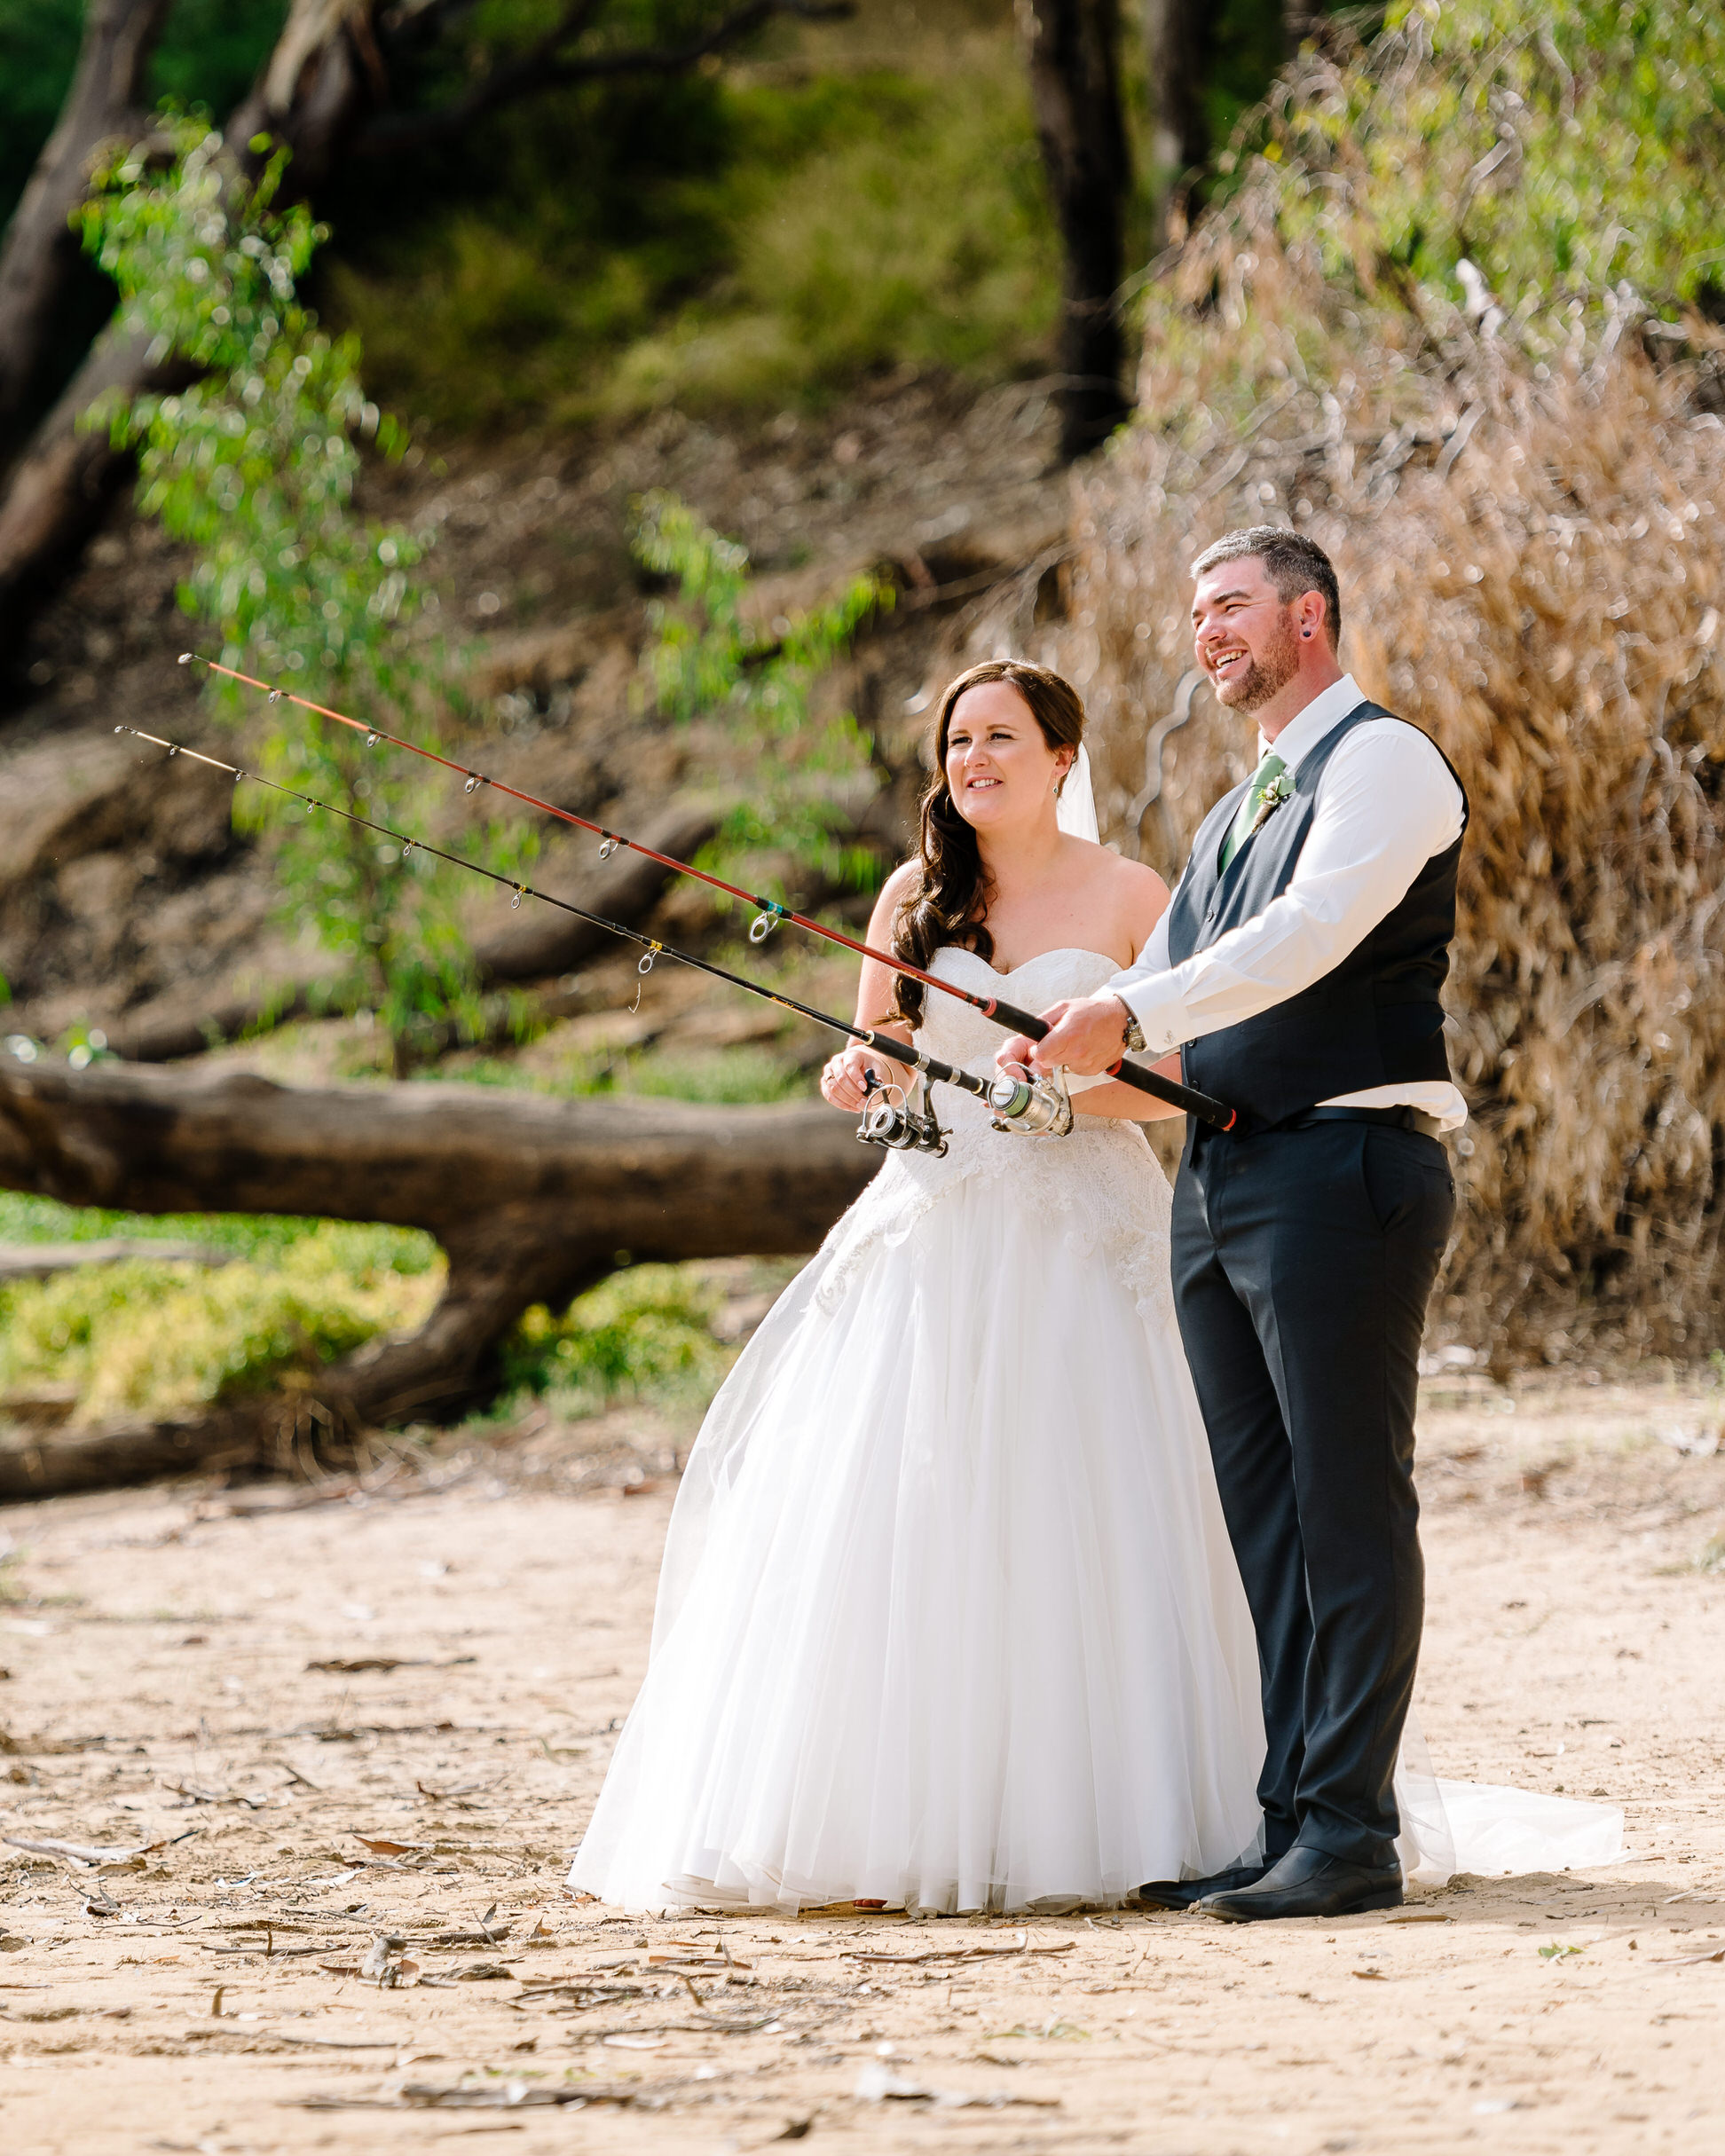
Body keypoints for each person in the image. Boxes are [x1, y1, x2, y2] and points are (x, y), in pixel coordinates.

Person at [567, 659, 1270, 1914]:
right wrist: (862, 1082)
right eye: (957, 740)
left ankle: (1131, 1812)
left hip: (1080, 1228)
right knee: (911, 1497)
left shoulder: (1130, 895)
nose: (972, 759)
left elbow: (1175, 1080)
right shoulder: (912, 895)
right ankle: (893, 1813)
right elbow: (884, 1061)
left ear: (1065, 757)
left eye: (1001, 736)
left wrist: (1050, 1092)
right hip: (935, 1228)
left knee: (1087, 1500)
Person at [1005, 527, 1475, 1920]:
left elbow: (1312, 934)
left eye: (1231, 607)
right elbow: (1157, 994)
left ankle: (1351, 1831)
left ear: (1309, 615)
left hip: (1343, 1173)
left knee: (1346, 1504)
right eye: (1196, 611)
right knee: (1262, 1526)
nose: (1205, 632)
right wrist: (1036, 1056)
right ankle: (1287, 1821)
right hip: (1218, 1186)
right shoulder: (1228, 812)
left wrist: (1131, 1012)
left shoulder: (1383, 762)